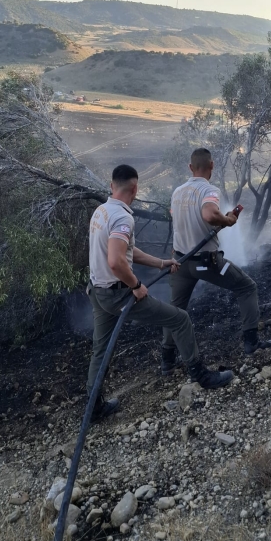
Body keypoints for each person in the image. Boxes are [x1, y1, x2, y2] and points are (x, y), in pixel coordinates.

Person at [87, 164, 233, 421]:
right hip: (119, 293)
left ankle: (94, 406)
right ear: (135, 189)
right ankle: (201, 375)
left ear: (112, 186)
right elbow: (116, 261)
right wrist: (135, 286)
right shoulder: (123, 217)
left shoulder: (101, 211)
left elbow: (127, 251)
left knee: (101, 348)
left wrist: (160, 262)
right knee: (180, 319)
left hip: (98, 291)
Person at [162, 148, 271, 375]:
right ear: (212, 166)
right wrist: (227, 220)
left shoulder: (178, 192)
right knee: (246, 287)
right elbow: (208, 215)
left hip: (179, 263)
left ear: (190, 167)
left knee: (174, 311)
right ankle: (251, 342)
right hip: (206, 262)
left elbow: (178, 215)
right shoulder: (208, 190)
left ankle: (167, 361)